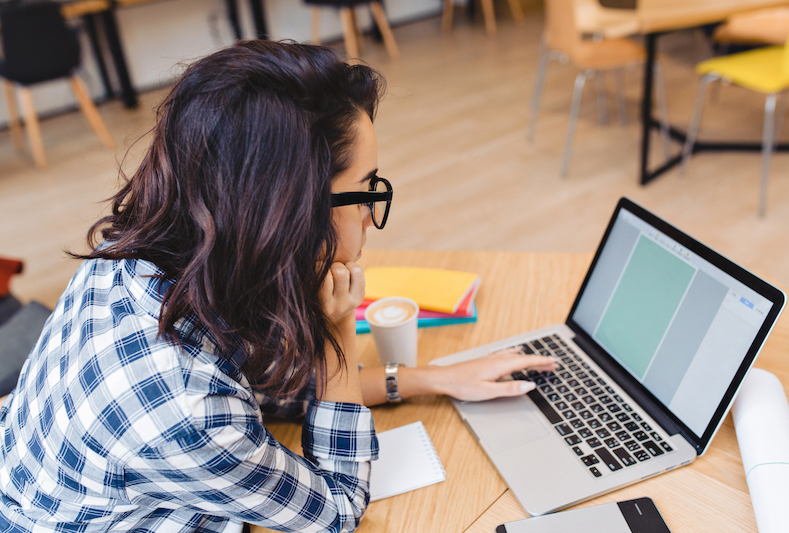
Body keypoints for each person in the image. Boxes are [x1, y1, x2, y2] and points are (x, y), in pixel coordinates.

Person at [0, 41, 556, 533]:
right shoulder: (190, 411)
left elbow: (261, 385)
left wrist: (431, 378)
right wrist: (338, 327)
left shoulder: (134, 257)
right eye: (363, 191)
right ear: (286, 212)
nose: (369, 215)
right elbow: (336, 509)